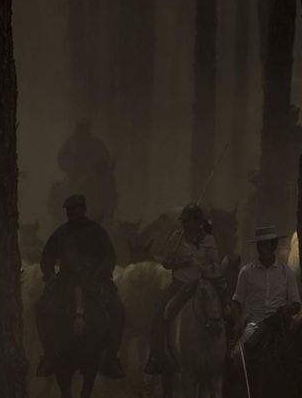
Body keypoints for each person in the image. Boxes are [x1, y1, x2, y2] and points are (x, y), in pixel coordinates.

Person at [36, 194, 126, 378]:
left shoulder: (97, 231)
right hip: (66, 281)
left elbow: (110, 256)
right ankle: (49, 357)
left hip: (95, 281)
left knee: (118, 310)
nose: (71, 213)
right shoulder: (60, 234)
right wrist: (50, 275)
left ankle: (110, 359)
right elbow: (46, 258)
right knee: (41, 308)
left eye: (74, 209)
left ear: (83, 209)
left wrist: (103, 270)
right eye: (68, 210)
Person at [226, 224, 302, 398]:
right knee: (237, 357)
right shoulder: (246, 272)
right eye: (260, 245)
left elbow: (296, 304)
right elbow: (237, 301)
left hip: (282, 323)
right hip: (256, 323)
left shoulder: (286, 272)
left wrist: (284, 310)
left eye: (267, 245)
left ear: (274, 246)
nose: (263, 249)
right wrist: (237, 321)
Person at [144, 203, 222, 375]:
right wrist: (175, 260)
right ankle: (155, 356)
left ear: (198, 222)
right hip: (181, 283)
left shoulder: (209, 240)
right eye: (184, 221)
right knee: (159, 312)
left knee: (227, 309)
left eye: (188, 221)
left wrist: (201, 266)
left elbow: (215, 264)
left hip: (204, 284)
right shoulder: (176, 237)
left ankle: (229, 351)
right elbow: (166, 264)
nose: (184, 225)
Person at [56, 119, 118, 223]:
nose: (82, 130)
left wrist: (98, 167)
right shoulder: (71, 142)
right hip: (74, 176)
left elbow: (106, 157)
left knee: (107, 190)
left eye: (84, 127)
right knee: (64, 193)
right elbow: (61, 159)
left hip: (94, 175)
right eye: (81, 127)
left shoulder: (96, 142)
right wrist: (70, 166)